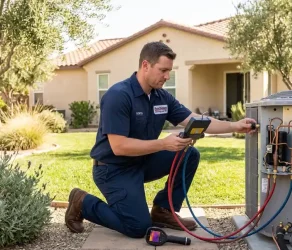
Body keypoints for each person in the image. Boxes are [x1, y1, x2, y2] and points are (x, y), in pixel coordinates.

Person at [65, 41, 257, 238]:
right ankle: (82, 202)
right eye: (163, 70)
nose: (167, 76)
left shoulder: (161, 97)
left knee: (188, 154)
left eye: (169, 71)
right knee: (138, 227)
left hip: (142, 161)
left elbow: (195, 120)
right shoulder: (119, 95)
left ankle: (163, 211)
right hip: (113, 169)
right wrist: (164, 144)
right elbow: (119, 147)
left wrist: (235, 126)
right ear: (145, 65)